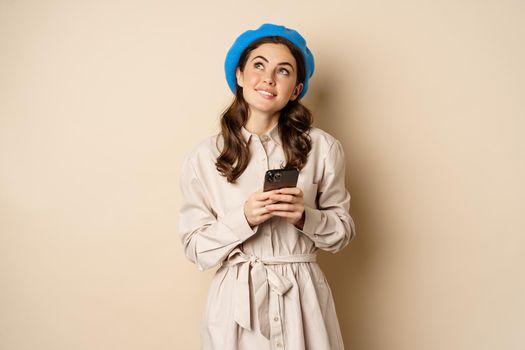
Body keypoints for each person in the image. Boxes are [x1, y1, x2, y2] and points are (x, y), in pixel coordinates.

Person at [179, 23, 356, 350]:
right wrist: (243, 218)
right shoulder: (204, 157)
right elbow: (195, 247)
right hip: (235, 302)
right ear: (240, 76)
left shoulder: (324, 149)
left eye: (283, 71)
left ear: (296, 89)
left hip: (303, 297)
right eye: (258, 65)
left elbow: (342, 232)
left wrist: (305, 217)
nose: (269, 78)